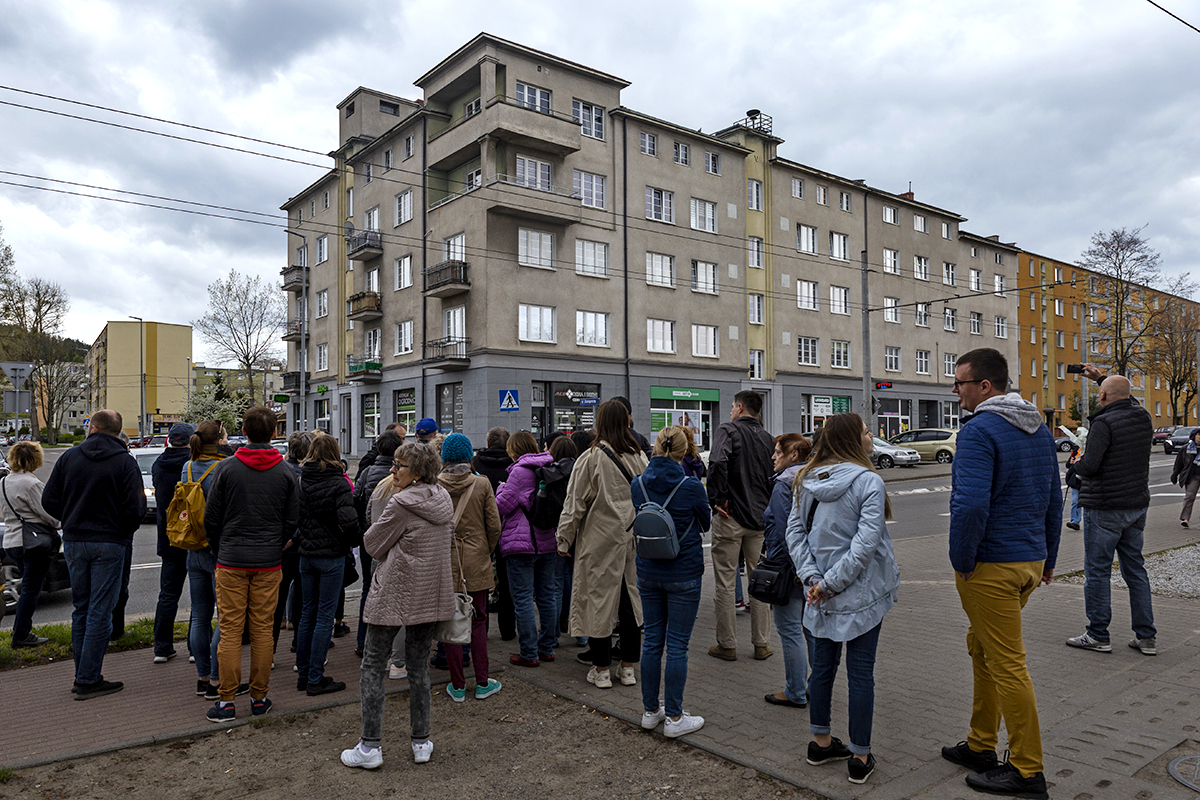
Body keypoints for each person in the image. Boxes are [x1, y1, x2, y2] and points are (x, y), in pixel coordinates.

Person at [944, 348, 1059, 799]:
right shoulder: (1038, 428)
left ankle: (1027, 771)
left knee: (1008, 663)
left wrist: (962, 560)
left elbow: (970, 505)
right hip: (1028, 561)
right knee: (982, 648)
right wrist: (1049, 558)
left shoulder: (978, 431)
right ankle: (980, 745)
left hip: (991, 565)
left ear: (985, 386)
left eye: (960, 383)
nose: (955, 391)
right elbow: (1054, 498)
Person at [786, 414, 897, 786]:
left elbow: (794, 534)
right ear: (853, 438)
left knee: (822, 669)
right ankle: (859, 757)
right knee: (861, 674)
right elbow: (865, 545)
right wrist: (829, 584)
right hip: (861, 593)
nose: (871, 435)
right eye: (866, 431)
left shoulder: (805, 479)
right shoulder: (868, 481)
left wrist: (814, 580)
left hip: (818, 594)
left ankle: (820, 743)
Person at [341, 442, 454, 769]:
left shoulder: (401, 503)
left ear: (416, 472)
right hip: (429, 593)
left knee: (373, 665)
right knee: (418, 667)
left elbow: (372, 544)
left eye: (399, 465)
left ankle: (370, 746)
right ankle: (421, 741)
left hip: (395, 592)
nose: (392, 470)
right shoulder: (443, 498)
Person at [203, 406, 300, 722]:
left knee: (230, 630)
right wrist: (277, 543)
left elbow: (211, 518)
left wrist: (220, 548)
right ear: (274, 433)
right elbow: (292, 520)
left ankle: (226, 701)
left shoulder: (226, 469)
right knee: (262, 630)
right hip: (269, 562)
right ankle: (259, 697)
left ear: (243, 432)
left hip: (231, 560)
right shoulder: (285, 472)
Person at [41, 409, 145, 700]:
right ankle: (88, 678)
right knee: (101, 610)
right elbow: (136, 509)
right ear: (117, 431)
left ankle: (82, 674)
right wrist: (121, 529)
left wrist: (70, 517)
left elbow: (48, 500)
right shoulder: (125, 462)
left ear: (94, 428)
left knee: (82, 609)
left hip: (75, 540)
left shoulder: (69, 458)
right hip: (110, 542)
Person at [556, 399, 648, 689]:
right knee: (631, 602)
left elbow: (574, 504)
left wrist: (564, 539)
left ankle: (602, 669)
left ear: (600, 423)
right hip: (632, 538)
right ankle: (628, 668)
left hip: (598, 540)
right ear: (626, 422)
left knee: (598, 602)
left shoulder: (590, 458)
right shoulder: (639, 457)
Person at [1069, 368, 1156, 657]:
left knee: (1097, 572)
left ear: (1104, 395)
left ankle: (1097, 634)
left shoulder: (1103, 422)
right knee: (1135, 571)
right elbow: (1127, 398)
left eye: (1100, 391)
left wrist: (1074, 468)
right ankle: (1146, 637)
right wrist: (1100, 378)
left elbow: (1091, 465)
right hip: (1136, 505)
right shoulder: (1143, 417)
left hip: (1105, 507)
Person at [634, 426, 711, 738]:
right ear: (684, 452)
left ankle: (650, 711)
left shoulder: (637, 483)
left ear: (654, 449)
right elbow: (705, 522)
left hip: (648, 570)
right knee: (677, 644)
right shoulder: (690, 486)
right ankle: (675, 718)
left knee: (652, 640)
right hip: (684, 572)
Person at [706, 390, 774, 661]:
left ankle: (727, 644)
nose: (731, 410)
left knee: (725, 581)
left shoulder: (728, 430)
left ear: (741, 407)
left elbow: (717, 460)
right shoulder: (768, 438)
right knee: (759, 580)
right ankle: (762, 643)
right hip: (759, 519)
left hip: (730, 516)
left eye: (733, 406)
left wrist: (717, 498)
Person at [181, 420, 246, 700]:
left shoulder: (187, 467)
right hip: (217, 549)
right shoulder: (224, 467)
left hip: (193, 546)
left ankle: (202, 677)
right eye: (225, 436)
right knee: (227, 616)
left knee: (199, 616)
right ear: (219, 440)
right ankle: (218, 680)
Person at [438, 433, 502, 700]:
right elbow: (494, 526)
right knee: (479, 620)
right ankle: (483, 682)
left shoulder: (435, 485)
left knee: (451, 623)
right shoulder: (481, 484)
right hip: (476, 559)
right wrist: (485, 551)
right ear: (468, 456)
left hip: (445, 560)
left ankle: (457, 685)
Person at [294, 434, 357, 696]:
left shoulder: (301, 480)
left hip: (306, 553)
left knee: (307, 613)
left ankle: (303, 672)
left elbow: (295, 517)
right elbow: (349, 521)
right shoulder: (339, 482)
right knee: (324, 616)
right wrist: (353, 540)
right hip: (331, 555)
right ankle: (315, 678)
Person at [496, 430, 560, 667]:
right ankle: (547, 647)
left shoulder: (519, 472)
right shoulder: (550, 466)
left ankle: (529, 652)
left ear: (513, 450)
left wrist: (500, 488)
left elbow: (502, 506)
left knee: (523, 598)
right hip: (547, 539)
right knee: (547, 596)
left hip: (520, 543)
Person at [761, 433, 813, 709]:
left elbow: (785, 533)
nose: (773, 457)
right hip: (813, 568)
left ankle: (795, 691)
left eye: (778, 452)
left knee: (790, 630)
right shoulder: (815, 478)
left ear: (793, 455)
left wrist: (792, 570)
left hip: (789, 569)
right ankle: (816, 686)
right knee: (811, 630)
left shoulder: (784, 485)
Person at [1, 441, 61, 648]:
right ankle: (21, 634)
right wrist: (61, 522)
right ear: (35, 459)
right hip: (33, 542)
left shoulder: (4, 481)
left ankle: (21, 632)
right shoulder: (32, 484)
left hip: (12, 541)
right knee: (30, 589)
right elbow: (48, 513)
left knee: (27, 586)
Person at [353, 428, 405, 657]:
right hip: (396, 541)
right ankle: (394, 649)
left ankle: (363, 641)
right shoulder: (403, 476)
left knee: (369, 588)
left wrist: (363, 531)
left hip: (371, 540)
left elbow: (357, 503)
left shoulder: (366, 473)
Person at [150, 422, 196, 663]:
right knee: (199, 596)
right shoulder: (193, 465)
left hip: (169, 537)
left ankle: (162, 647)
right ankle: (195, 647)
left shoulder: (159, 465)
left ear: (169, 440)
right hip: (194, 537)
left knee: (168, 594)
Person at [472, 426, 516, 642]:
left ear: (488, 443)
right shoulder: (513, 466)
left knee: (481, 581)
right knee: (508, 581)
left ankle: (483, 628)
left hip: (480, 528)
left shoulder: (476, 464)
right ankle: (508, 630)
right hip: (508, 527)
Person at [275, 431, 312, 654]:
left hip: (280, 544)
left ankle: (268, 652)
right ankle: (300, 646)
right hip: (302, 544)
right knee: (302, 598)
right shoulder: (308, 476)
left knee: (276, 600)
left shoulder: (278, 472)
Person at [1172, 427, 1200, 527]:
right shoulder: (1186, 449)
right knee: (1189, 497)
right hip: (1192, 476)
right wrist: (1175, 474)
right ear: (1194, 436)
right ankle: (1185, 519)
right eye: (1199, 435)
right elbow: (1179, 463)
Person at [1064, 445, 1082, 531]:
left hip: (1084, 481)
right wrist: (1071, 462)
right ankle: (1075, 521)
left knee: (1084, 502)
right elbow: (1068, 465)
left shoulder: (1088, 449)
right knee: (1075, 501)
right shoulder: (1075, 451)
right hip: (1075, 481)